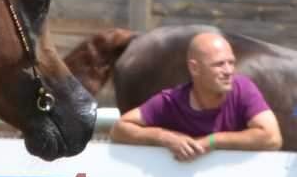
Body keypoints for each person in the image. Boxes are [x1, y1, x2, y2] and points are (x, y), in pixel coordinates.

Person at [111, 30, 281, 160]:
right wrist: (165, 137)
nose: (229, 71)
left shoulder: (243, 88)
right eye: (219, 65)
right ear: (194, 68)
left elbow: (272, 138)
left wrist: (212, 141)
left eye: (231, 63)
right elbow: (119, 129)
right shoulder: (171, 101)